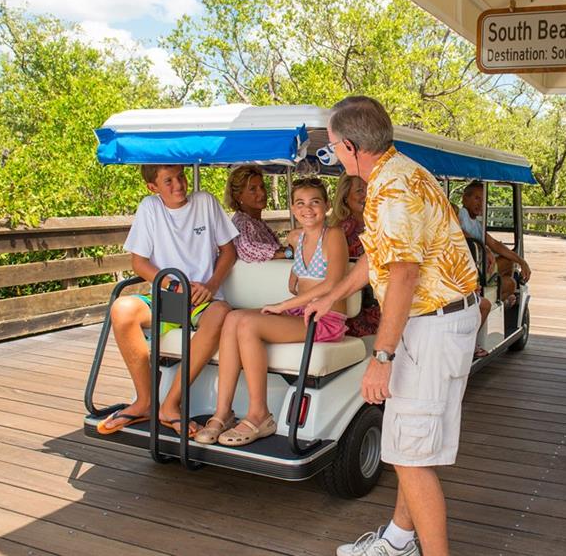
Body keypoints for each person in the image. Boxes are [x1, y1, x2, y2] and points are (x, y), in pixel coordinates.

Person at [306, 96, 480, 556]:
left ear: (349, 146)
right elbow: (379, 257)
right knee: (411, 448)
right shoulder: (397, 171)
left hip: (431, 328)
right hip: (437, 322)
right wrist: (331, 293)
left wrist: (380, 358)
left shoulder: (393, 190)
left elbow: (403, 273)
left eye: (333, 147)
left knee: (408, 457)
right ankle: (399, 542)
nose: (333, 155)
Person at [194, 177, 350, 446]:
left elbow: (332, 283)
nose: (307, 208)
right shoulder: (297, 238)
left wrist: (283, 305)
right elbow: (298, 279)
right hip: (301, 312)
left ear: (326, 206)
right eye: (300, 203)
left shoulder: (333, 235)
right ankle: (223, 413)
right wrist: (294, 277)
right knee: (232, 319)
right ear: (292, 208)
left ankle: (259, 415)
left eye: (315, 202)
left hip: (324, 318)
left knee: (248, 324)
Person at [97, 164, 238, 437]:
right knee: (122, 309)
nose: (179, 185)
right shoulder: (149, 208)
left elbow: (228, 251)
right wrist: (172, 285)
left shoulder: (205, 202)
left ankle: (170, 405)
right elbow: (139, 262)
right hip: (167, 296)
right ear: (153, 187)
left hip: (202, 298)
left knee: (221, 313)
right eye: (168, 181)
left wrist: (210, 285)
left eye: (181, 176)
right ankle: (145, 401)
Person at [459, 180, 532, 303]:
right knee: (510, 276)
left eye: (483, 200)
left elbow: (495, 244)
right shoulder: (461, 214)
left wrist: (520, 260)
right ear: (464, 198)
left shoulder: (477, 224)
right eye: (477, 198)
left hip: (479, 267)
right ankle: (501, 299)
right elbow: (456, 230)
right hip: (470, 269)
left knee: (510, 271)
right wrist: (483, 248)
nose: (481, 203)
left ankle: (501, 297)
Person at [329, 173, 380, 337]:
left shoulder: (374, 222)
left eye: (369, 188)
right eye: (359, 191)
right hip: (361, 306)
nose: (366, 194)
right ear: (345, 197)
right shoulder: (346, 229)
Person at [225, 164, 290, 262]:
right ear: (238, 196)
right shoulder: (243, 222)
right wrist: (289, 253)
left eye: (262, 187)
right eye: (253, 189)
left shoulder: (255, 221)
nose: (262, 193)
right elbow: (246, 248)